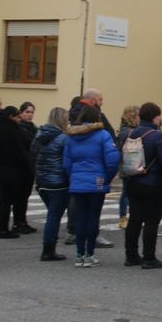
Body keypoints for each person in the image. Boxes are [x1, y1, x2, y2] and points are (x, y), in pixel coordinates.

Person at [62, 105, 120, 268]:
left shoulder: (71, 136)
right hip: (97, 181)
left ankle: (79, 255)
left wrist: (73, 177)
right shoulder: (103, 135)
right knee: (93, 217)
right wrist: (106, 178)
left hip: (78, 181)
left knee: (81, 217)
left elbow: (66, 163)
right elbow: (112, 161)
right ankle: (89, 254)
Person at [121, 102, 162, 270]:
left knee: (134, 219)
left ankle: (131, 255)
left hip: (133, 180)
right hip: (153, 183)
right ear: (155, 117)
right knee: (151, 221)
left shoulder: (130, 133)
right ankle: (149, 257)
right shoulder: (157, 136)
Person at [32, 107, 70, 261]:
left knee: (52, 215)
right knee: (54, 217)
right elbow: (67, 161)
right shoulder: (63, 138)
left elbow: (32, 153)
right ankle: (48, 250)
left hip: (42, 181)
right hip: (58, 182)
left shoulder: (40, 134)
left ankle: (49, 247)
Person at [0, 105, 33, 237]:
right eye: (17, 116)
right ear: (11, 117)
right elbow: (19, 151)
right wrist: (29, 165)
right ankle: (3, 229)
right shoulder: (10, 130)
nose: (19, 119)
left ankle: (2, 227)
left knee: (3, 199)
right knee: (6, 200)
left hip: (1, 168)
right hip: (10, 170)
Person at [116, 104, 140, 229]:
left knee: (127, 192)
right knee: (127, 192)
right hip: (130, 164)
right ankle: (123, 217)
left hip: (126, 163)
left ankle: (125, 217)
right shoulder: (129, 131)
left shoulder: (123, 129)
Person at [17, 101, 38, 224]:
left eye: (32, 112)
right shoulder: (20, 128)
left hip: (30, 165)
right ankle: (19, 221)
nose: (30, 115)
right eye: (27, 112)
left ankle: (22, 220)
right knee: (20, 196)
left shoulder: (33, 128)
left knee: (25, 195)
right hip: (22, 166)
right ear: (21, 113)